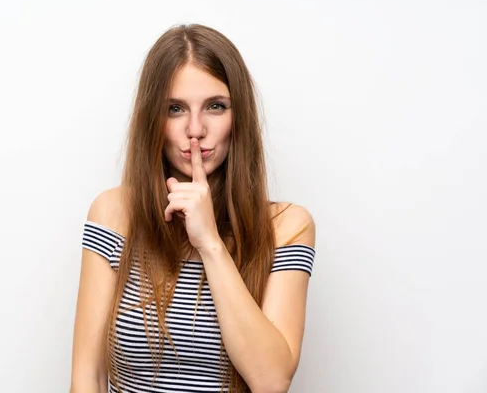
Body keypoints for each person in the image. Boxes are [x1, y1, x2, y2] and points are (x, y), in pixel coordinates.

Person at [70, 23, 316, 393]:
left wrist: (210, 245)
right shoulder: (114, 213)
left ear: (239, 117)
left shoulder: (287, 226)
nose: (195, 129)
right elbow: (87, 377)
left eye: (216, 106)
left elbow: (271, 379)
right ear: (153, 119)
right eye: (175, 109)